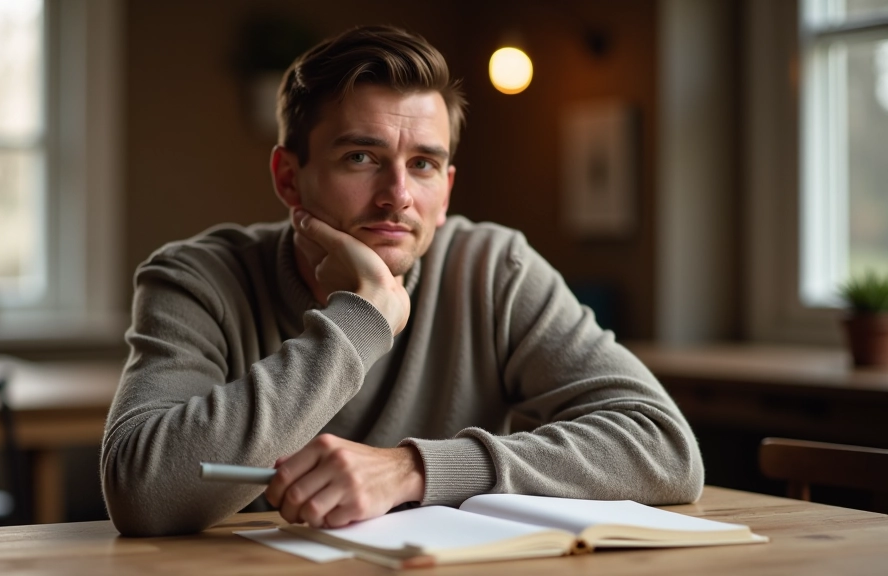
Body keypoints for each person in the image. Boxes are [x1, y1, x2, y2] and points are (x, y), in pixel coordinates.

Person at [101, 25, 703, 537]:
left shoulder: (496, 269)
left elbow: (665, 450)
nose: (397, 196)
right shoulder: (196, 277)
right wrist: (359, 320)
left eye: (423, 164)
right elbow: (144, 492)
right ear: (289, 178)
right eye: (360, 157)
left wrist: (414, 470)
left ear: (446, 191)